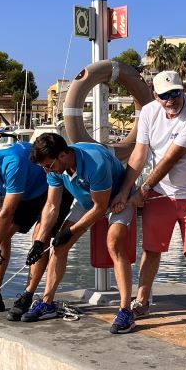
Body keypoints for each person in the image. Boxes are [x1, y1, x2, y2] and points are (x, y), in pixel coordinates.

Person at [110, 71, 186, 333]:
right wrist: (125, 191)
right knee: (151, 250)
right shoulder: (148, 112)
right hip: (162, 194)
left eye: (176, 93)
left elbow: (171, 158)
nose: (171, 99)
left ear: (183, 92)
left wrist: (143, 190)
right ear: (155, 95)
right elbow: (139, 153)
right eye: (165, 95)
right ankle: (142, 301)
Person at [23, 133, 138, 333]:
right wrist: (40, 241)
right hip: (87, 199)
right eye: (44, 167)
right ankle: (47, 303)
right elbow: (52, 205)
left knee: (114, 243)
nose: (46, 170)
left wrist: (71, 231)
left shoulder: (95, 163)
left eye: (48, 166)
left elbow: (100, 208)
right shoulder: (54, 168)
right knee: (58, 247)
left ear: (63, 155)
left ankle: (126, 310)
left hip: (117, 197)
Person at [0, 143, 72, 320]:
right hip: (27, 193)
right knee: (0, 235)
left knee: (41, 236)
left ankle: (28, 295)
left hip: (51, 189)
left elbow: (7, 212)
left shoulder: (11, 163)